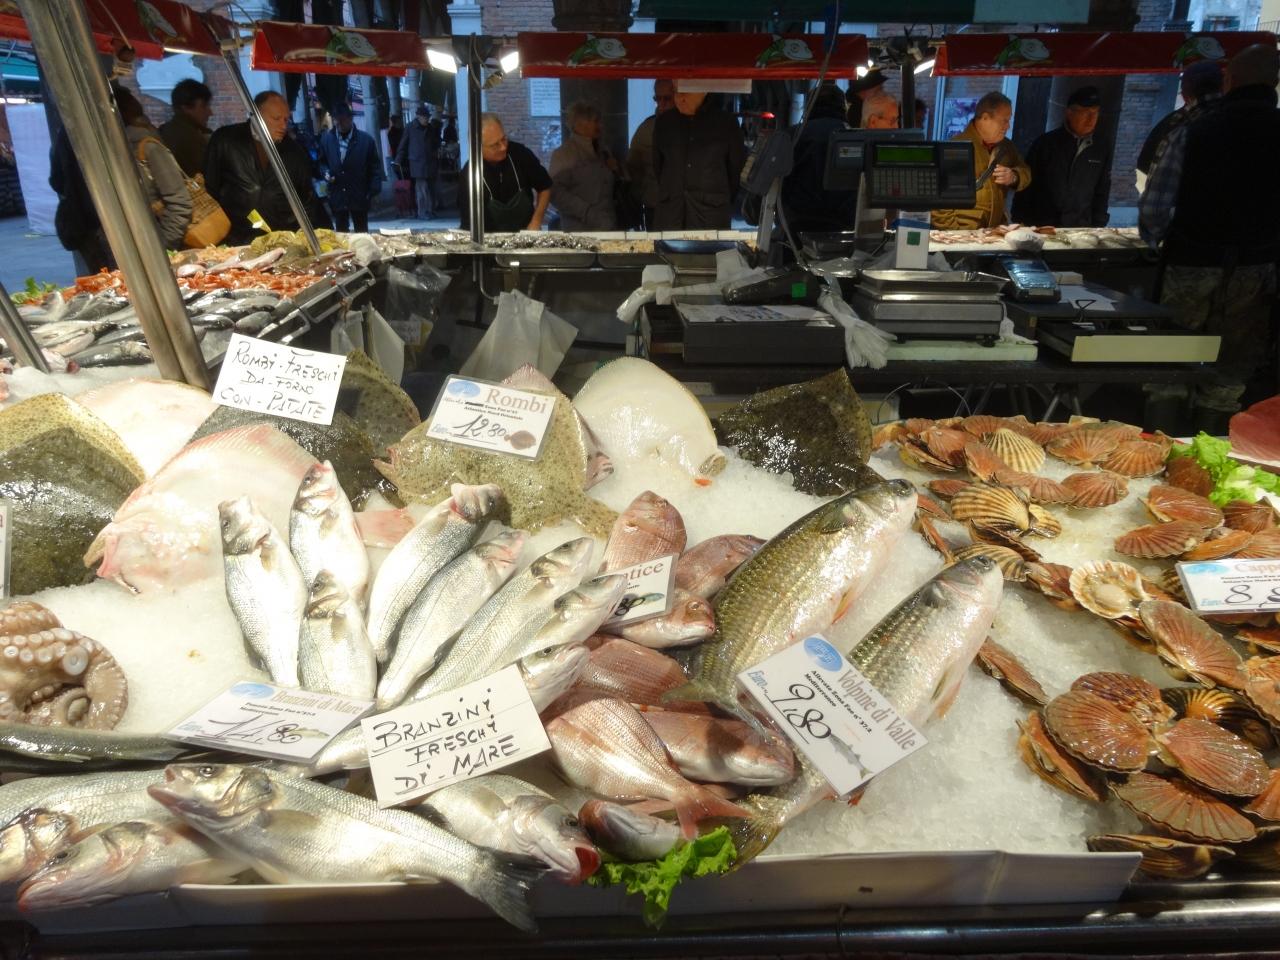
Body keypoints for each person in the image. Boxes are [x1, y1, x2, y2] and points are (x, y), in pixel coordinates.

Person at [1139, 43, 1280, 432]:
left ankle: (1160, 450)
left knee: (1169, 364)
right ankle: (1210, 451)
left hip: (1193, 262)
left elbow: (1154, 207)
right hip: (1256, 268)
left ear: (1230, 80)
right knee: (1230, 373)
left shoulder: (1194, 131)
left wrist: (1157, 241)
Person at [205, 89, 329, 246]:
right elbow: (210, 188)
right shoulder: (225, 140)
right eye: (276, 118)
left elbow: (307, 199)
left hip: (279, 240)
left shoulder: (294, 151)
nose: (283, 125)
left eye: (286, 119)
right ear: (256, 115)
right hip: (236, 238)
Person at [1012, 86, 1111, 227]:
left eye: (1095, 112)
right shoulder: (1045, 144)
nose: (1091, 119)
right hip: (1043, 225)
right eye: (1085, 112)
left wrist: (1098, 224)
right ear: (1069, 113)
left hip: (1079, 227)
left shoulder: (1101, 148)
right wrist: (1019, 220)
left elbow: (1102, 189)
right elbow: (1027, 185)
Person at [932, 91, 1031, 230]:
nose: (1008, 126)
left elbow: (1026, 172)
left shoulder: (1007, 147)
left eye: (1009, 120)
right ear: (985, 118)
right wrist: (957, 234)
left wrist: (1014, 176)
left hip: (994, 232)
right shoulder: (956, 148)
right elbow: (939, 206)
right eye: (1004, 120)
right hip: (965, 233)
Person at [652, 86, 747, 230]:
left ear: (703, 91)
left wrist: (716, 198)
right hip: (670, 215)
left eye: (685, 93)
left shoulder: (726, 123)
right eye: (676, 93)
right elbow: (658, 167)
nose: (679, 99)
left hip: (711, 216)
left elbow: (735, 171)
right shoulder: (664, 123)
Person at [115, 85, 192, 250]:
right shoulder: (114, 151)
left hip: (156, 246)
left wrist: (162, 248)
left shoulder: (148, 147)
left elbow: (180, 203)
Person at [1136, 60, 1223, 194]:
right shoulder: (1248, 119)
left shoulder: (1176, 128)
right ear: (1225, 85)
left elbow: (1153, 195)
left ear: (1184, 95)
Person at [780, 82, 855, 234]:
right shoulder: (855, 138)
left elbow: (771, 178)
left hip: (796, 226)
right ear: (843, 107)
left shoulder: (791, 136)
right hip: (845, 228)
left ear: (808, 107)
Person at [459, 113, 552, 232]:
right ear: (477, 148)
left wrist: (536, 221)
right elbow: (468, 224)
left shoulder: (520, 154)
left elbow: (545, 187)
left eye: (503, 139)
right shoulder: (470, 174)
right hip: (490, 238)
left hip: (526, 233)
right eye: (495, 145)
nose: (503, 147)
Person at [49, 128, 112, 276]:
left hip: (83, 218)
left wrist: (73, 189)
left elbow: (56, 181)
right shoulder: (102, 132)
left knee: (101, 275)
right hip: (106, 215)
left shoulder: (62, 139)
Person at [549, 102, 618, 231]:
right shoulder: (564, 153)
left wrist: (615, 170)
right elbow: (555, 193)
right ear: (581, 124)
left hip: (608, 226)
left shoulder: (603, 151)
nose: (601, 126)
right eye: (596, 121)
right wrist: (587, 213)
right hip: (579, 229)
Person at [318, 103, 382, 233]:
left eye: (342, 120)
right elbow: (321, 162)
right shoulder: (327, 139)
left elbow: (375, 168)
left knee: (362, 233)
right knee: (341, 233)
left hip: (359, 193)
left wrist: (372, 191)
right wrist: (325, 173)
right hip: (337, 193)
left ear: (350, 119)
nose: (338, 123)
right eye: (336, 120)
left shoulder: (366, 140)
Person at [627, 79, 675, 228]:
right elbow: (633, 168)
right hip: (655, 204)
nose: (661, 104)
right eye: (657, 98)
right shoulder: (646, 129)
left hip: (686, 205)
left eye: (667, 98)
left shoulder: (692, 127)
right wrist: (642, 196)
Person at [394, 104, 442, 221]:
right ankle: (422, 212)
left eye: (428, 117)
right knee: (421, 189)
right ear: (418, 117)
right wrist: (397, 160)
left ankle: (430, 210)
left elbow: (435, 143)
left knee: (431, 188)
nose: (427, 119)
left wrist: (437, 140)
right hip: (417, 163)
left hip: (430, 162)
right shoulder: (410, 128)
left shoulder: (430, 128)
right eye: (425, 117)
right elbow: (403, 145)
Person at [159, 78, 212, 178]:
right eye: (204, 106)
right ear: (186, 108)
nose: (210, 112)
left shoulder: (171, 130)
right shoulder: (188, 138)